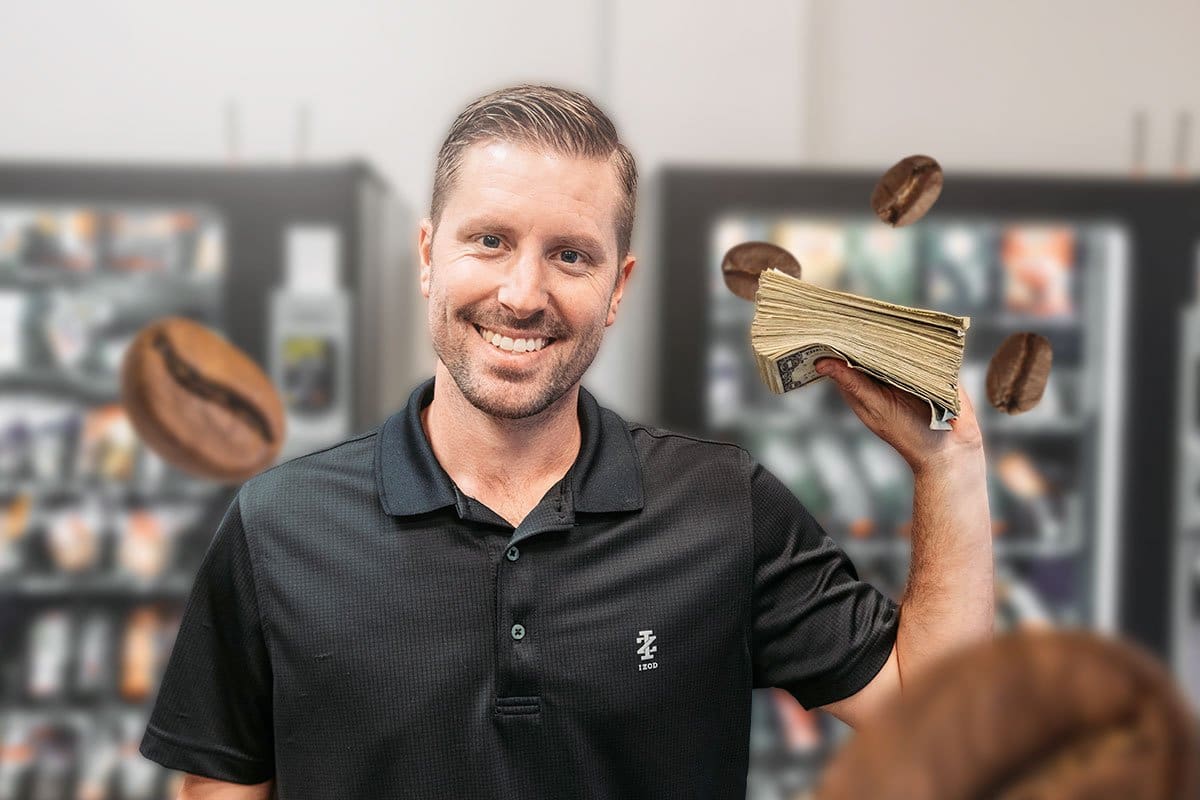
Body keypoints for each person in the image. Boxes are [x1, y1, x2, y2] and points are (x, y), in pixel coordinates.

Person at [139, 84, 994, 800]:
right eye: (490, 240)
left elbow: (944, 713)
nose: (522, 292)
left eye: (571, 256)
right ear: (429, 255)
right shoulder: (278, 525)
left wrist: (948, 463)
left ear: (618, 287)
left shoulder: (723, 510)